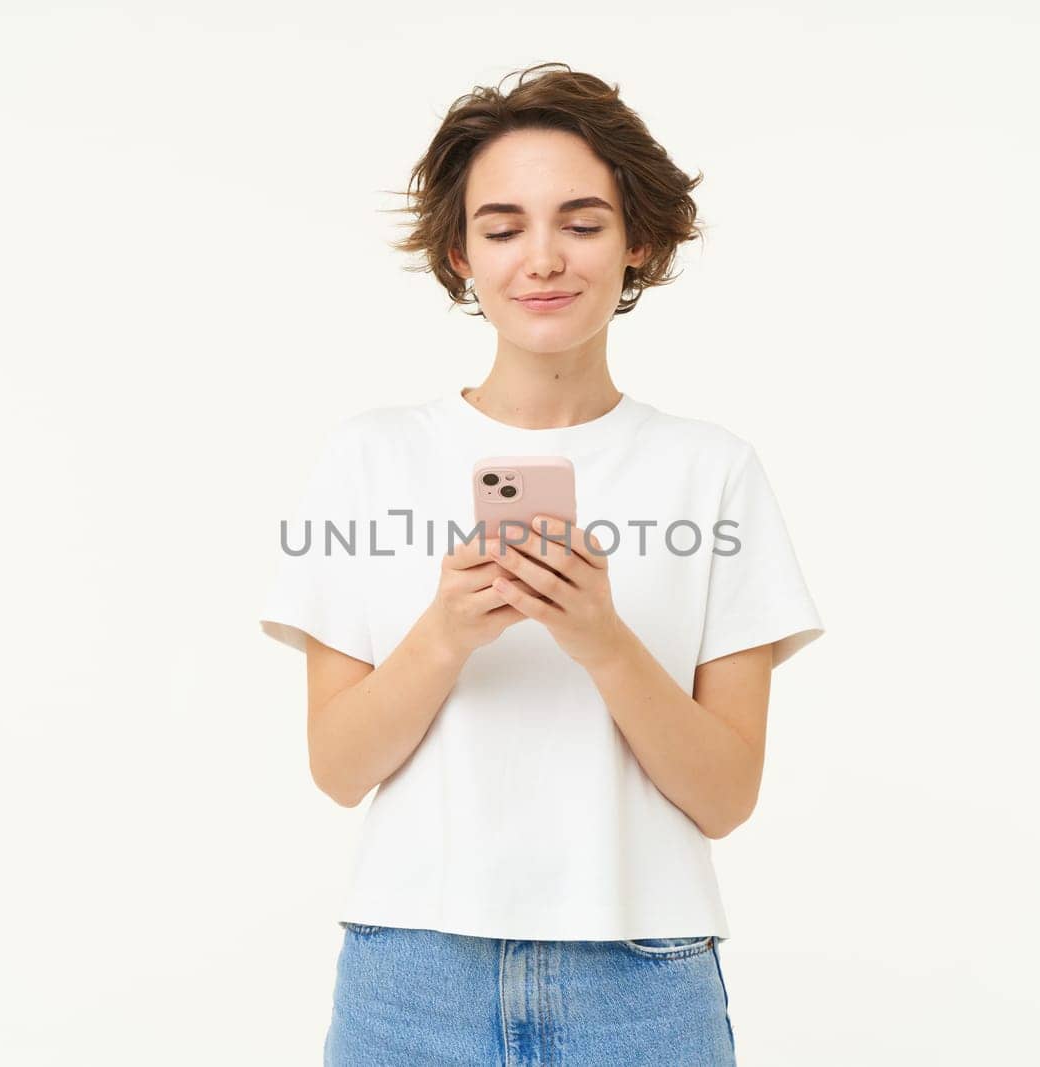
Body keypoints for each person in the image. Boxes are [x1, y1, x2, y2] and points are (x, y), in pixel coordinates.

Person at [260, 62, 825, 1067]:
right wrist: (444, 634)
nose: (543, 259)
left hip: (641, 977)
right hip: (409, 972)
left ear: (636, 241)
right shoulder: (367, 456)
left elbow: (726, 794)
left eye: (582, 220)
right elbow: (337, 767)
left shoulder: (712, 469)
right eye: (503, 225)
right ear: (458, 255)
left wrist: (602, 641)